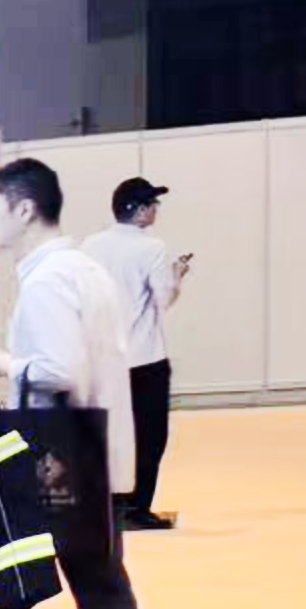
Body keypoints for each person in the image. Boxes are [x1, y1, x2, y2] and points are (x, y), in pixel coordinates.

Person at [0, 160, 156, 609]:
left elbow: (57, 371)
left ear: (24, 210)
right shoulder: (83, 270)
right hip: (93, 448)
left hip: (61, 451)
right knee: (100, 585)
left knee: (13, 574)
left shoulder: (49, 280)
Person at [86, 176, 192, 531]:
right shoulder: (152, 249)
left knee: (109, 434)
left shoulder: (90, 246)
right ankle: (137, 508)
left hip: (103, 359)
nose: (156, 209)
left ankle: (108, 506)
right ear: (141, 211)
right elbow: (163, 299)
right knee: (149, 435)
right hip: (145, 359)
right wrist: (176, 275)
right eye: (153, 204)